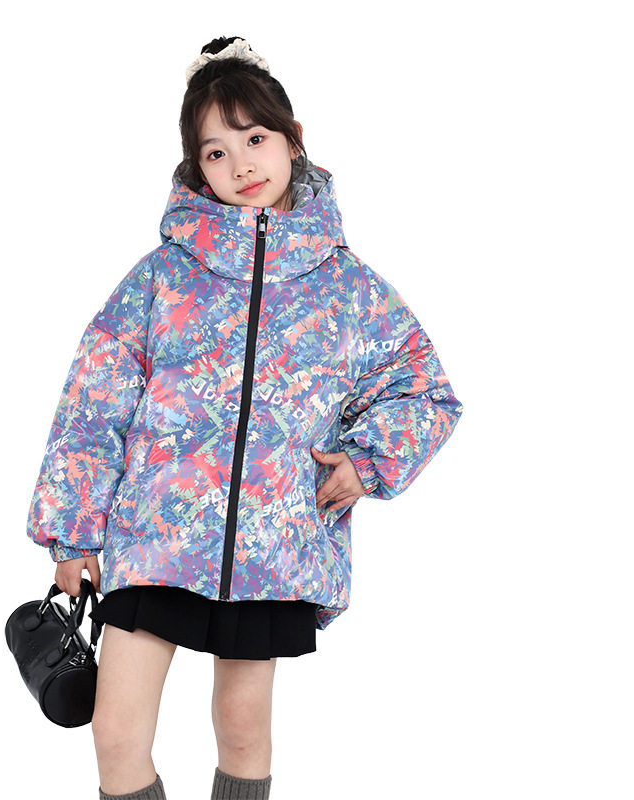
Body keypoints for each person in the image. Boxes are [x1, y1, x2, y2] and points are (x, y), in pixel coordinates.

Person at [25, 35, 463, 800]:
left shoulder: (348, 289)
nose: (241, 165)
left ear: (294, 140)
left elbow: (425, 390)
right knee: (117, 731)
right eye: (216, 152)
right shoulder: (162, 278)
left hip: (272, 546)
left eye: (255, 139)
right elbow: (92, 405)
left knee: (241, 726)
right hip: (154, 534)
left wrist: (366, 463)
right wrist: (74, 532)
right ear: (198, 168)